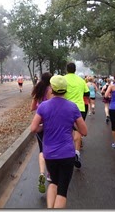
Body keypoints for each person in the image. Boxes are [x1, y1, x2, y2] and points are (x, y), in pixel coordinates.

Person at [30, 75, 87, 208]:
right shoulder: (72, 107)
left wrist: (44, 126)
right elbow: (84, 131)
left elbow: (33, 128)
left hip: (49, 154)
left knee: (53, 183)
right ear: (65, 89)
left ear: (52, 88)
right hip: (67, 154)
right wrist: (72, 124)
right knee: (62, 191)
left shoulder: (43, 106)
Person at [64, 62, 89, 168]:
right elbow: (87, 94)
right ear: (75, 70)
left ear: (66, 69)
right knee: (78, 131)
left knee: (67, 130)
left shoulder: (63, 79)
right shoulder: (81, 80)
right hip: (80, 108)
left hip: (65, 108)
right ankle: (77, 153)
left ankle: (67, 152)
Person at [30, 72, 52, 194]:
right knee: (49, 148)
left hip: (38, 123)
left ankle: (42, 173)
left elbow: (32, 108)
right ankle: (49, 173)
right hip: (48, 124)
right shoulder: (50, 90)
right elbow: (52, 106)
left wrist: (39, 104)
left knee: (42, 149)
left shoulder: (37, 89)